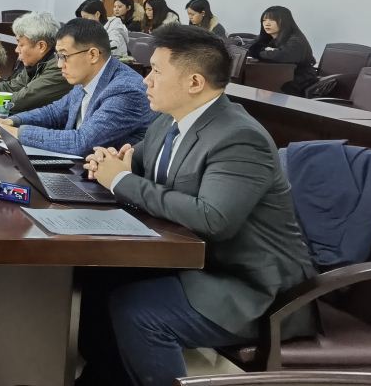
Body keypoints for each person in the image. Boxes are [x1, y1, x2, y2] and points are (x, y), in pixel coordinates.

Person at [80, 25, 316, 386]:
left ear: (194, 82)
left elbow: (213, 218)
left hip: (253, 288)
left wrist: (121, 180)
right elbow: (139, 165)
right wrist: (111, 163)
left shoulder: (240, 137)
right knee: (96, 278)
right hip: (198, 263)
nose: (146, 80)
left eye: (156, 71)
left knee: (138, 310)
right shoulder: (167, 121)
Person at [0, 17, 154, 156]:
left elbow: (82, 141)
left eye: (64, 56)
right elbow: (54, 113)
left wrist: (15, 132)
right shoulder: (87, 78)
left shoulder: (125, 89)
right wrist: (10, 121)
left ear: (93, 55)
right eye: (58, 57)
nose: (60, 65)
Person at [246, 6, 319, 96]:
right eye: (264, 20)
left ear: (284, 21)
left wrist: (259, 52)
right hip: (280, 73)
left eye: (272, 20)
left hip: (299, 78)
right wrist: (261, 50)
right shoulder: (268, 36)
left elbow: (281, 55)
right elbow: (249, 48)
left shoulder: (296, 40)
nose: (267, 24)